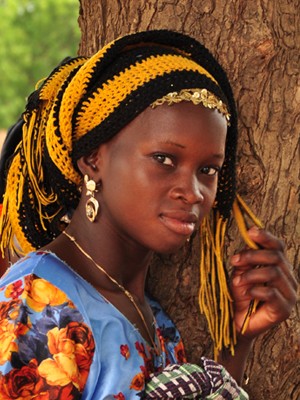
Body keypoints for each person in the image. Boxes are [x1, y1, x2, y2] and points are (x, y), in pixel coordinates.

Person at [0, 30, 296, 399]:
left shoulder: (153, 318)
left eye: (208, 170)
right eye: (164, 160)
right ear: (94, 159)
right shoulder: (39, 304)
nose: (192, 191)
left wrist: (237, 343)